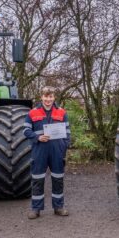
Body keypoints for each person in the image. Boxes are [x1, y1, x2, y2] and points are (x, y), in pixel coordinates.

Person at [24, 86, 71, 219]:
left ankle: (58, 207)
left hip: (57, 151)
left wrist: (64, 146)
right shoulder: (32, 113)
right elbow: (25, 131)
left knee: (58, 179)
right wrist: (37, 137)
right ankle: (36, 209)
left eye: (50, 97)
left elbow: (68, 132)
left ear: (53, 97)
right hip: (39, 149)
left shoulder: (62, 112)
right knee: (37, 179)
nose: (48, 99)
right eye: (46, 96)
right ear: (41, 97)